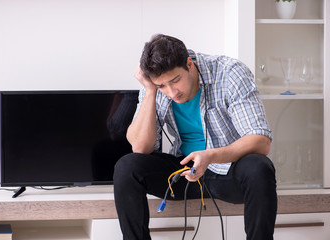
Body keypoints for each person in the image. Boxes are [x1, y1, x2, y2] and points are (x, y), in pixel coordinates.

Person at [113, 34, 277, 240]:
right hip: (184, 173)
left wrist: (210, 156)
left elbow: (261, 141)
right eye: (162, 86)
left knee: (259, 166)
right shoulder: (155, 85)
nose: (172, 92)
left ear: (189, 64)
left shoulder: (230, 73)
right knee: (127, 166)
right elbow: (140, 148)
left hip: (227, 171)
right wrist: (150, 91)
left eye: (175, 81)